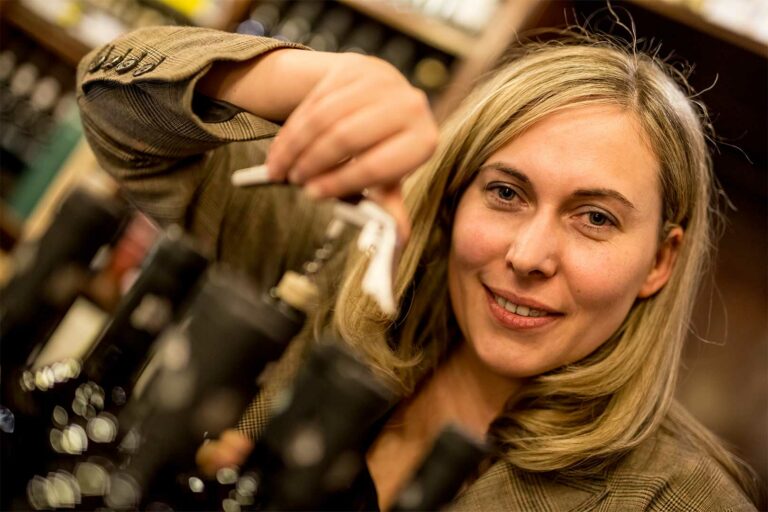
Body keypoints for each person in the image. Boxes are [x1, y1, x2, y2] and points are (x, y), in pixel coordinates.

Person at [76, 22, 759, 510]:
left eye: (596, 218)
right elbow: (116, 113)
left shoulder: (676, 498)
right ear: (456, 195)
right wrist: (310, 77)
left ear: (659, 261)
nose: (527, 257)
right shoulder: (347, 269)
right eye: (506, 192)